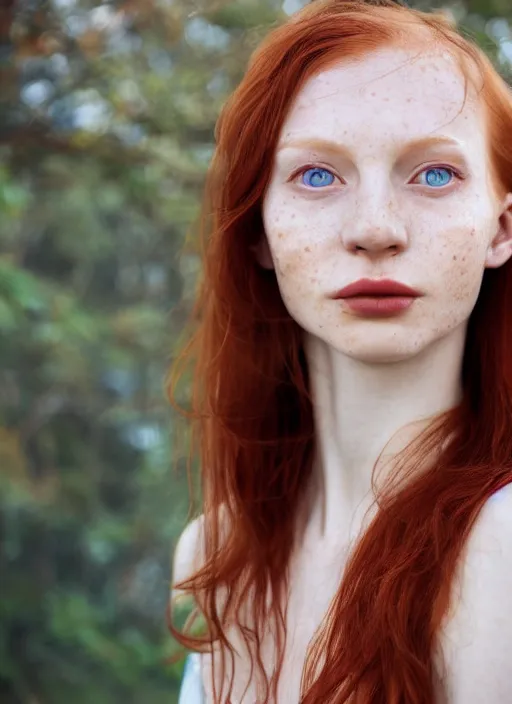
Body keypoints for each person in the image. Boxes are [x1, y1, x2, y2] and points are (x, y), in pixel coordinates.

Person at [168, 0, 512, 701]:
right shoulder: (214, 555)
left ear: (501, 229)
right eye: (318, 175)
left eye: (435, 174)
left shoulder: (502, 547)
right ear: (258, 230)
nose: (375, 229)